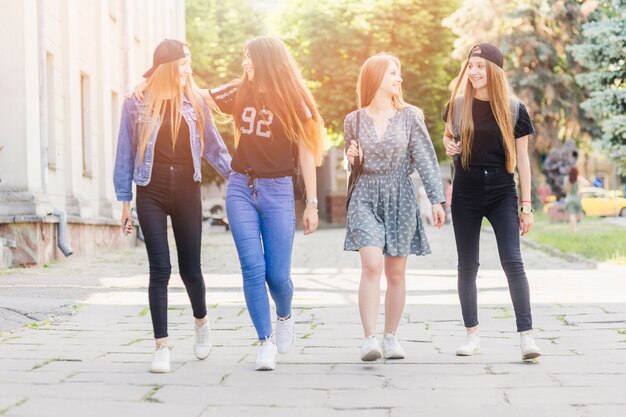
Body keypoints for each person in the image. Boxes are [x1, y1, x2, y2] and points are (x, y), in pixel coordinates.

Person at [114, 39, 232, 373]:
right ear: (168, 67)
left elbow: (215, 148)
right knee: (159, 269)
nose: (188, 70)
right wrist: (124, 202)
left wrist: (240, 178)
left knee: (190, 269)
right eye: (183, 64)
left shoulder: (194, 101)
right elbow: (124, 153)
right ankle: (161, 346)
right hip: (149, 189)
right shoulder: (136, 104)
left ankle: (201, 321)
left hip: (185, 188)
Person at [206, 36, 324, 371]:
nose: (245, 64)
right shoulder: (238, 90)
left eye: (250, 58)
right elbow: (196, 95)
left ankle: (285, 314)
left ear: (267, 61)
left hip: (278, 191)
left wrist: (312, 203)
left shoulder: (293, 97)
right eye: (243, 57)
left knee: (277, 276)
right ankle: (265, 341)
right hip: (241, 186)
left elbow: (305, 152)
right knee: (252, 269)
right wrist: (159, 79)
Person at [442, 43, 541, 361]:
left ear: (494, 71)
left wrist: (526, 206)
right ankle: (472, 335)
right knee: (467, 265)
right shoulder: (456, 105)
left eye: (480, 66)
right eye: (470, 66)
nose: (473, 72)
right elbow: (449, 138)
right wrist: (448, 145)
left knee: (513, 261)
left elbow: (523, 161)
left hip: (501, 189)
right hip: (466, 190)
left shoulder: (514, 109)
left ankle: (527, 336)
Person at [345, 53, 446, 362]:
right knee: (372, 264)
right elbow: (352, 167)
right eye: (392, 73)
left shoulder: (410, 116)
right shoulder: (354, 119)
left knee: (396, 273)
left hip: (400, 194)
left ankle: (391, 337)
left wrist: (436, 199)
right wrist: (351, 159)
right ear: (375, 77)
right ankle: (369, 339)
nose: (399, 78)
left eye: (398, 73)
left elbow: (427, 159)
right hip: (365, 195)